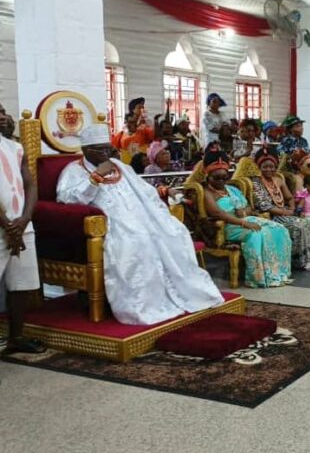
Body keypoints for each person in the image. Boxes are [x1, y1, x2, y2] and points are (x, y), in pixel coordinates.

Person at [56, 124, 223, 325]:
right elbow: (68, 200)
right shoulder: (73, 171)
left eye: (108, 148)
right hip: (113, 224)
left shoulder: (122, 168)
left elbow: (145, 190)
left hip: (142, 217)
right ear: (86, 150)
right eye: (101, 149)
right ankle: (143, 304)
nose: (108, 153)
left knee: (174, 233)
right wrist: (95, 178)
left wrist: (164, 191)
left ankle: (178, 293)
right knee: (138, 242)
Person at [202, 150, 293, 287]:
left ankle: (277, 273)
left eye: (224, 177)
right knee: (257, 234)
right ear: (208, 176)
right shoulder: (207, 192)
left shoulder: (232, 189)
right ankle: (258, 278)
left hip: (246, 219)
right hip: (229, 226)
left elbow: (250, 207)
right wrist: (243, 222)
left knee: (280, 229)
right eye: (217, 178)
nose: (221, 181)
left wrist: (244, 213)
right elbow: (218, 214)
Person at [0, 103, 45, 354]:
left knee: (21, 283)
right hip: (5, 227)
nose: (3, 117)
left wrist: (25, 218)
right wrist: (6, 224)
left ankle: (16, 337)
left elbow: (30, 185)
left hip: (20, 224)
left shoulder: (16, 148)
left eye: (3, 111)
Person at [249, 146, 310, 272]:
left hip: (286, 211)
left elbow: (289, 197)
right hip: (271, 215)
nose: (269, 169)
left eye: (271, 166)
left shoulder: (278, 179)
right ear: (259, 167)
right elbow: (265, 205)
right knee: (298, 225)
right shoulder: (256, 182)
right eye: (265, 166)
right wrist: (287, 212)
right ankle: (297, 261)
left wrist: (293, 209)